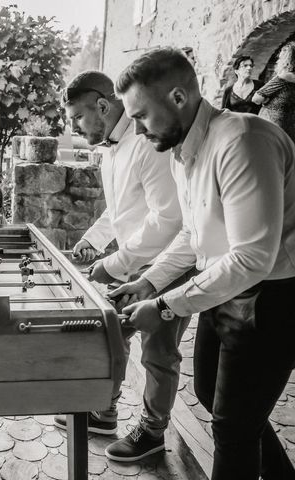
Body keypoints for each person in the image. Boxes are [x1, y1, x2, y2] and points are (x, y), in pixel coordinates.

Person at [110, 47, 295, 479]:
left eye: (140, 116)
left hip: (274, 297)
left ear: (177, 97)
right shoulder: (181, 151)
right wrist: (151, 283)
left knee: (232, 427)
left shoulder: (244, 140)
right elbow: (196, 237)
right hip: (223, 287)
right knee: (212, 396)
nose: (136, 130)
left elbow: (252, 257)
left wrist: (164, 307)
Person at [54, 71, 186, 463]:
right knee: (113, 332)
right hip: (131, 262)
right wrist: (93, 240)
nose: (74, 127)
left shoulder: (148, 144)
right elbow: (122, 208)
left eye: (77, 117)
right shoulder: (111, 147)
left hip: (168, 264)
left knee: (158, 352)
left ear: (102, 106)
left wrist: (113, 263)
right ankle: (104, 411)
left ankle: (152, 431)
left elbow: (169, 220)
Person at [253, 42, 295, 143]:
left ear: (287, 60)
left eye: (280, 58)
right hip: (291, 125)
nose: (278, 61)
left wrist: (267, 99)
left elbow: (256, 98)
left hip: (272, 125)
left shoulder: (283, 77)